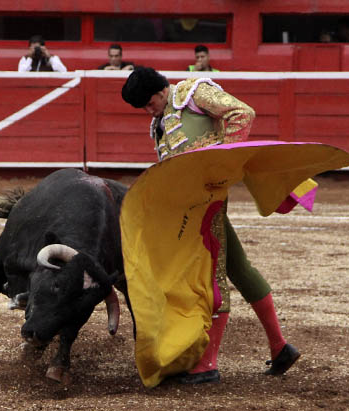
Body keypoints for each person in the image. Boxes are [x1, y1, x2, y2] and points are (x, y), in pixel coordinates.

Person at [121, 67, 302, 385]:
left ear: (161, 91)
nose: (149, 111)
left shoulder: (193, 93)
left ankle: (207, 364)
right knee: (238, 267)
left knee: (210, 271)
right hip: (190, 205)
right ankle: (280, 347)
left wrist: (223, 165)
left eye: (149, 103)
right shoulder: (160, 123)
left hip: (210, 198)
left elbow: (241, 113)